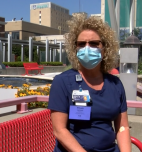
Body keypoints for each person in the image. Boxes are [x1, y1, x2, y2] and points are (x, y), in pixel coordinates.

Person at [48, 15, 131, 152]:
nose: (87, 48)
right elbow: (59, 130)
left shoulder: (115, 84)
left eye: (94, 43)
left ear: (105, 49)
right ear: (75, 49)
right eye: (81, 44)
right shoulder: (62, 82)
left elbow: (123, 128)